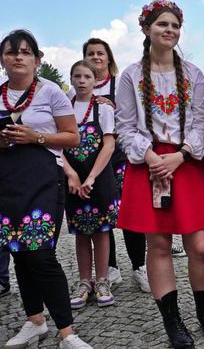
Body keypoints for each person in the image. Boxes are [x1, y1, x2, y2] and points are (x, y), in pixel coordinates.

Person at [115, 0, 204, 348]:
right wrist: (149, 156)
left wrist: (180, 155)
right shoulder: (131, 75)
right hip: (148, 162)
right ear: (146, 29)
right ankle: (173, 321)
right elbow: (126, 125)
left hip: (185, 162)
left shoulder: (193, 74)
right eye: (162, 24)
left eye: (175, 25)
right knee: (158, 244)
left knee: (200, 245)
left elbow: (200, 122)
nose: (170, 31)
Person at [0, 30, 91, 348]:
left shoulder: (51, 92)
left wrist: (35, 137)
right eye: (11, 52)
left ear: (37, 60)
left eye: (25, 52)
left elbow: (72, 137)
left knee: (40, 255)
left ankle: (67, 333)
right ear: (3, 60)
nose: (18, 57)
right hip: (7, 181)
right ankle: (34, 322)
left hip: (43, 180)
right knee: (20, 256)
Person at [69, 38, 151, 292]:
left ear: (109, 58)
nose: (95, 57)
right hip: (88, 162)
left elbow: (136, 115)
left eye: (100, 53)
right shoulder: (74, 93)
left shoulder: (120, 85)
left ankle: (139, 266)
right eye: (90, 53)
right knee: (100, 214)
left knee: (128, 212)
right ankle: (111, 268)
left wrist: (113, 107)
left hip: (119, 158)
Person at [63, 60, 119, 309]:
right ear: (72, 79)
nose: (82, 80)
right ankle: (84, 281)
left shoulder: (103, 109)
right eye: (77, 76)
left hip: (99, 177)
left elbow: (109, 144)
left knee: (101, 231)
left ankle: (103, 280)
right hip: (73, 178)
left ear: (96, 81)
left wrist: (92, 177)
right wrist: (71, 174)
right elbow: (58, 145)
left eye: (87, 76)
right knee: (80, 232)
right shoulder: (64, 108)